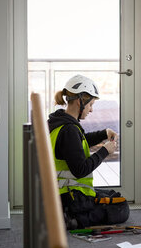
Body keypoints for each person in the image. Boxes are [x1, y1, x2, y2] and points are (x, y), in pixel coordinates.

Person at [48, 74, 129, 229]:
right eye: (91, 104)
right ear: (80, 102)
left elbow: (78, 142)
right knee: (121, 207)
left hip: (60, 194)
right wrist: (104, 151)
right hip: (71, 197)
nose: (91, 110)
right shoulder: (70, 130)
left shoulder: (58, 123)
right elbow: (81, 170)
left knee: (112, 195)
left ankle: (68, 216)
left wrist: (103, 133)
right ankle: (74, 220)